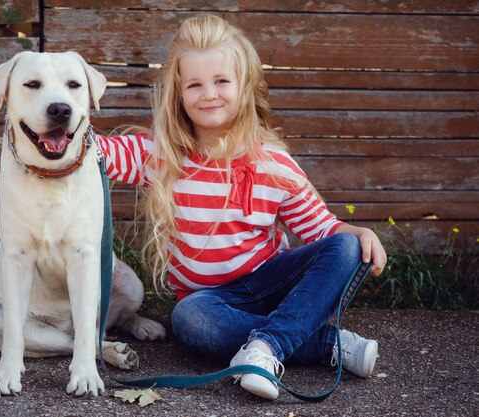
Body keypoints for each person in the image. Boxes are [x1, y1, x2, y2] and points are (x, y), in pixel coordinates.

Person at [97, 14, 387, 401]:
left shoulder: (272, 164)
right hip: (209, 303)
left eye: (221, 81)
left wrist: (360, 234)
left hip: (271, 284)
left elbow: (321, 228)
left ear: (244, 85)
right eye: (195, 84)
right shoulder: (159, 155)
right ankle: (322, 343)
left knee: (347, 247)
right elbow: (98, 152)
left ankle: (264, 351)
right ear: (178, 95)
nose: (209, 93)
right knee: (189, 322)